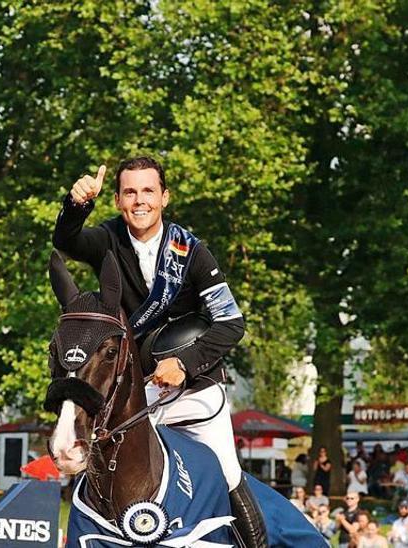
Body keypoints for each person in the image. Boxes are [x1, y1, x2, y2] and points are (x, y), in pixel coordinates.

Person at [54, 156, 261, 545]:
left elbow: (231, 323)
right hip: (138, 392)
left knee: (230, 476)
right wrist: (76, 205)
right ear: (117, 200)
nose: (139, 200)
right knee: (99, 469)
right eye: (130, 192)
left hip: (196, 390)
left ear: (164, 197)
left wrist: (184, 364)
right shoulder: (108, 240)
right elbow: (66, 241)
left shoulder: (192, 252)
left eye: (148, 190)